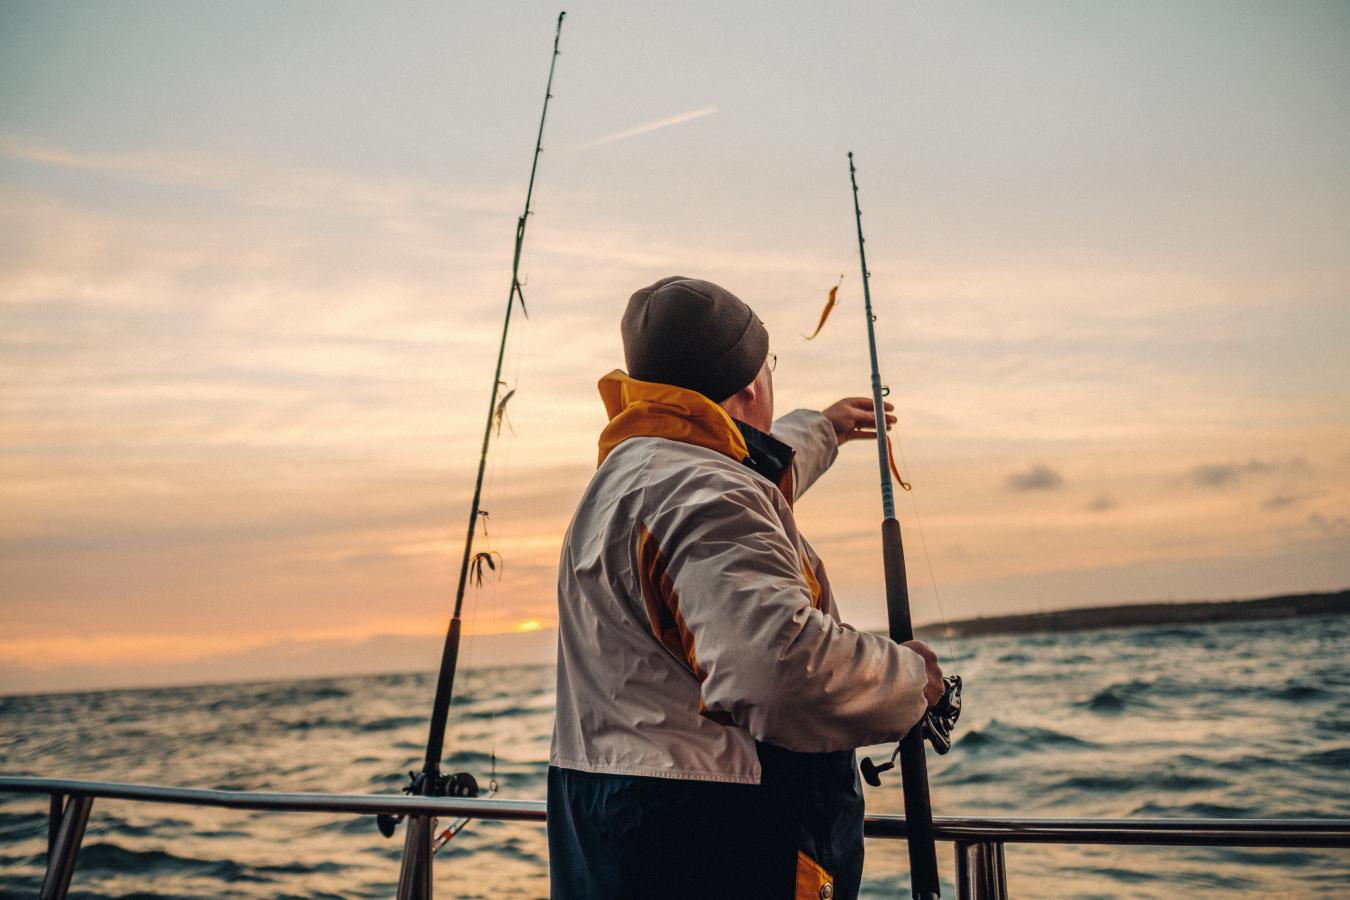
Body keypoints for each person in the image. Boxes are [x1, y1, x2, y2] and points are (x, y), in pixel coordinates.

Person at [548, 276, 944, 900]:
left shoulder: (622, 483)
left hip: (609, 834)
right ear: (752, 384)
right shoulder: (709, 493)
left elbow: (736, 480)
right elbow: (782, 670)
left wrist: (823, 428)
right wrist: (908, 680)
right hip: (716, 846)